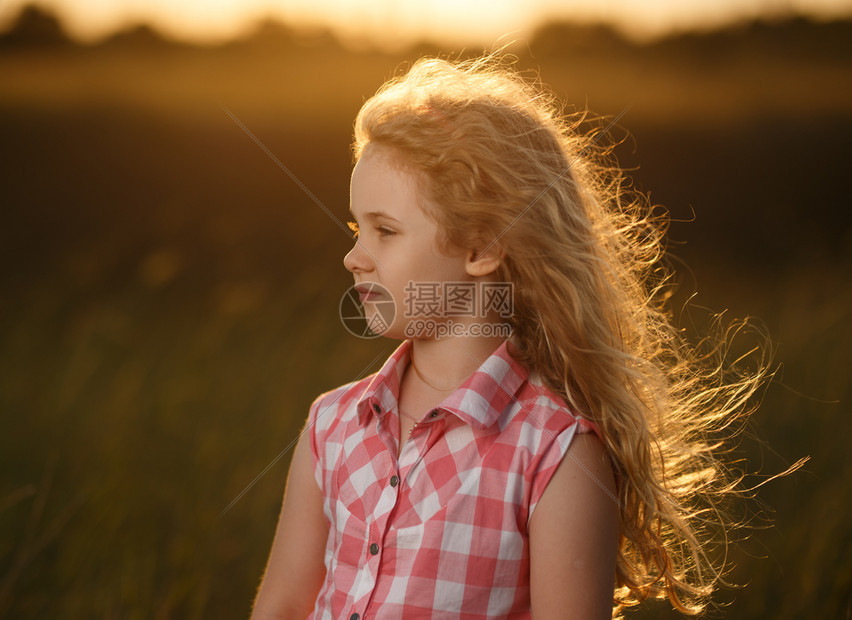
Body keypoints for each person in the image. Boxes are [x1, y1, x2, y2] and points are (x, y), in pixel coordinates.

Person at [250, 54, 769, 619]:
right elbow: (282, 604)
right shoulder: (331, 426)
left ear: (482, 247)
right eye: (357, 228)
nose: (353, 257)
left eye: (385, 230)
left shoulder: (556, 451)